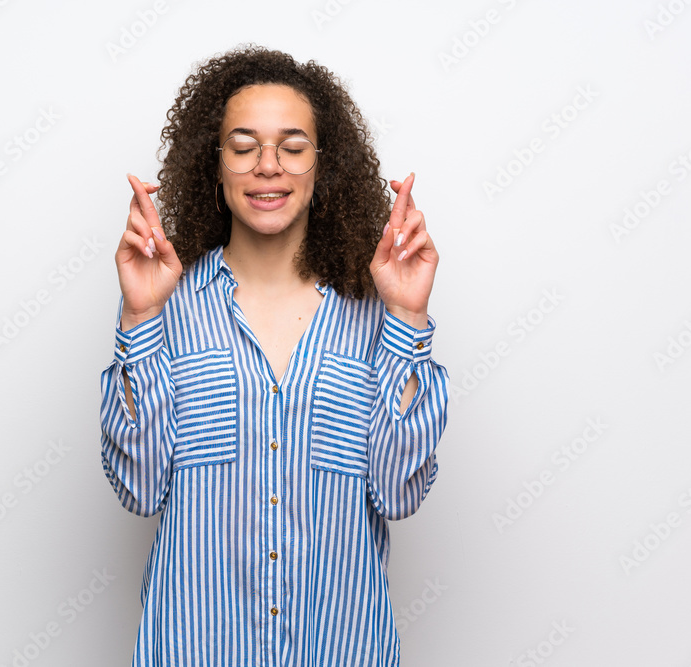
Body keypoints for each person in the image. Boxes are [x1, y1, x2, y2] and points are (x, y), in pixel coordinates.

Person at [101, 45, 449, 667]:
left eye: (292, 148)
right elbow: (139, 488)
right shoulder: (167, 307)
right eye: (243, 147)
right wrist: (138, 319)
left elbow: (398, 493)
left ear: (322, 167)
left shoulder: (377, 313)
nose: (268, 166)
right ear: (215, 167)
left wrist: (409, 318)